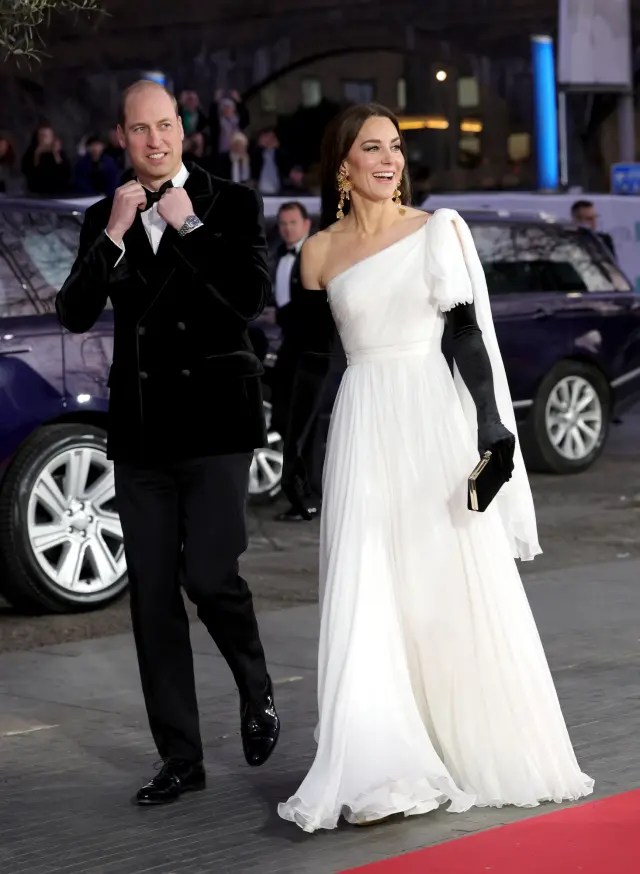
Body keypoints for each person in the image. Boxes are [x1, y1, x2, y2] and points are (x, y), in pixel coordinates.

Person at [277, 103, 593, 832]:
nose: (388, 159)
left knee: (442, 582)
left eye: (394, 147)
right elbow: (312, 362)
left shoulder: (436, 232)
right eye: (371, 148)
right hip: (361, 426)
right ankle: (381, 760)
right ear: (342, 166)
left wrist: (491, 427)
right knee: (367, 587)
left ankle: (467, 743)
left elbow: (466, 336)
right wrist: (292, 443)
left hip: (431, 420)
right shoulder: (317, 255)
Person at [56, 79, 280, 806]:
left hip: (216, 422)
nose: (155, 140)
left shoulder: (233, 203)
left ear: (183, 130)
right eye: (139, 130)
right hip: (144, 431)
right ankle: (180, 757)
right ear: (122, 138)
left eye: (165, 127)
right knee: (152, 599)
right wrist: (115, 236)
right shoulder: (104, 215)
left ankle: (256, 689)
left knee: (211, 577)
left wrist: (190, 228)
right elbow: (75, 313)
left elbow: (248, 302)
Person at [269, 202, 316, 521]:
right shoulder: (277, 256)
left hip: (309, 350)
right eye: (283, 223)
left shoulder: (314, 255)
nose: (287, 228)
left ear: (306, 224)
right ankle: (298, 492)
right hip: (287, 347)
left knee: (305, 424)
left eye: (293, 222)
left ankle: (308, 496)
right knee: (286, 418)